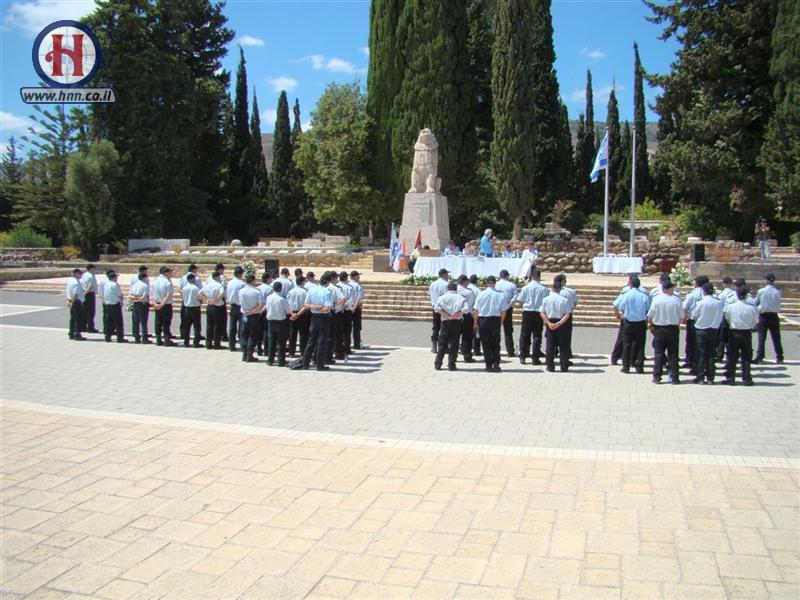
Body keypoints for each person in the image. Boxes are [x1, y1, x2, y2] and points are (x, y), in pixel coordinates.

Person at [612, 275, 651, 374]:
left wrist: (620, 316)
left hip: (628, 323)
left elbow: (619, 306)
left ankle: (626, 367)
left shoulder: (627, 294)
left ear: (630, 284)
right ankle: (639, 367)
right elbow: (649, 309)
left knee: (627, 345)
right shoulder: (644, 295)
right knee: (640, 346)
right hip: (640, 323)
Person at [647, 279, 682, 384]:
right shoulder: (676, 301)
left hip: (659, 329)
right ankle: (675, 378)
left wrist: (651, 324)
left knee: (658, 353)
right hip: (673, 329)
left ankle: (657, 377)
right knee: (673, 354)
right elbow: (682, 316)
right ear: (669, 289)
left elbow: (649, 316)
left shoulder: (657, 301)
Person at [296, 272, 334, 371]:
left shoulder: (312, 290)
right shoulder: (327, 292)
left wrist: (314, 307)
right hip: (323, 318)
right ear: (328, 281)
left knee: (311, 340)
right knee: (322, 341)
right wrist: (320, 307)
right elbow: (326, 308)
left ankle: (305, 363)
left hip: (314, 317)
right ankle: (319, 364)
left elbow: (306, 304)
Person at [722, 287, 758, 386]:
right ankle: (746, 378)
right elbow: (755, 321)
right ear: (746, 296)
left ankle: (731, 378)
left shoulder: (731, 306)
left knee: (732, 356)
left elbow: (727, 318)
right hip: (746, 333)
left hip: (734, 332)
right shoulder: (751, 307)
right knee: (746, 357)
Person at [472, 275, 508, 372]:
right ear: (495, 283)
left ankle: (488, 364)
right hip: (495, 319)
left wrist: (475, 322)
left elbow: (476, 310)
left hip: (483, 320)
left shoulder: (481, 294)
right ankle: (496, 363)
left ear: (486, 283)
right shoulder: (501, 294)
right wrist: (501, 321)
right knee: (496, 343)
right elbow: (504, 310)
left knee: (485, 343)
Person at [691, 282, 724, 384]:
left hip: (701, 330)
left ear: (703, 292)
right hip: (713, 330)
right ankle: (710, 378)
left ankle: (700, 377)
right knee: (711, 354)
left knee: (701, 354)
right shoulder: (718, 303)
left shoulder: (701, 303)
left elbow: (694, 316)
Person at [541, 277, 572, 372]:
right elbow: (567, 314)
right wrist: (559, 323)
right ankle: (563, 366)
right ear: (560, 289)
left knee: (550, 346)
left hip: (550, 321)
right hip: (561, 322)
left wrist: (548, 323)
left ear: (552, 288)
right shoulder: (564, 300)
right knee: (563, 345)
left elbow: (542, 313)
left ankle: (550, 366)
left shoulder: (546, 299)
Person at [516, 268, 547, 365]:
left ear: (531, 276)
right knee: (537, 336)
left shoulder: (526, 288)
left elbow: (520, 301)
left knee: (525, 335)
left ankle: (523, 356)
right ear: (539, 277)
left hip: (527, 313)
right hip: (538, 313)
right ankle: (535, 358)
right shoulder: (544, 289)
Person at [433, 283, 467, 371]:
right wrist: (457, 314)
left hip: (445, 322)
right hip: (456, 322)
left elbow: (436, 308)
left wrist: (447, 315)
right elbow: (466, 309)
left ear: (448, 289)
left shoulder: (442, 297)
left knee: (442, 343)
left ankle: (438, 363)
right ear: (456, 289)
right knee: (454, 343)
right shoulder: (461, 298)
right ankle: (451, 364)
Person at [754, 272, 783, 364]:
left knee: (762, 338)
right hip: (774, 315)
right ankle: (780, 357)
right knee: (776, 338)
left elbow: (756, 303)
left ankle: (760, 357)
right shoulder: (778, 291)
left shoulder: (761, 291)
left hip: (764, 316)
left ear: (766, 280)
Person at [682, 275, 707, 372]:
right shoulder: (708, 293)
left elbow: (685, 307)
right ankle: (701, 363)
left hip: (693, 320)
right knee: (701, 344)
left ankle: (690, 361)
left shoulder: (692, 294)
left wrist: (684, 317)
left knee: (691, 342)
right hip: (704, 320)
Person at [264, 281, 292, 366]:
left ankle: (270, 360)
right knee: (281, 342)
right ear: (280, 288)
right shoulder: (282, 299)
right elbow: (288, 311)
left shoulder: (269, 298)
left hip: (271, 321)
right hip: (280, 322)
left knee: (271, 341)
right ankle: (281, 361)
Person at [238, 274, 264, 363]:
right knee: (253, 336)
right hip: (254, 316)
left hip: (244, 314)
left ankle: (244, 354)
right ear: (252, 281)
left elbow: (240, 302)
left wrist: (246, 311)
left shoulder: (241, 291)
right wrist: (252, 311)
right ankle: (249, 355)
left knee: (244, 335)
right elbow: (260, 305)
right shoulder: (256, 292)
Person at [150, 266, 176, 346]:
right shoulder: (167, 282)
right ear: (166, 273)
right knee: (166, 323)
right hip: (165, 305)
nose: (171, 274)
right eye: (170, 272)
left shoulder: (155, 281)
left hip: (157, 304)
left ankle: (158, 339)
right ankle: (166, 339)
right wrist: (162, 304)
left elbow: (151, 294)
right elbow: (168, 295)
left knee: (158, 322)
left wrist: (154, 303)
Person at [199, 272, 225, 349]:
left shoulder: (207, 285)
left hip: (209, 306)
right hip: (217, 307)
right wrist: (216, 300)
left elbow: (199, 294)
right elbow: (222, 293)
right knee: (217, 325)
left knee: (209, 325)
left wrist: (206, 300)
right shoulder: (219, 285)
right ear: (217, 277)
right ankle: (217, 344)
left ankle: (208, 343)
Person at [495, 270, 518, 357]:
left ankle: (495, 349)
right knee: (508, 330)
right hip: (507, 309)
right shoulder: (512, 285)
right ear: (507, 276)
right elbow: (515, 297)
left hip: (497, 309)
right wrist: (508, 305)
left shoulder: (496, 284)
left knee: (495, 330)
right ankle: (510, 351)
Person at [428, 268, 451, 353]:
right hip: (444, 308)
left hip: (435, 307)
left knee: (435, 327)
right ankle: (444, 347)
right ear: (444, 275)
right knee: (445, 328)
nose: (448, 276)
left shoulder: (433, 284)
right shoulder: (446, 284)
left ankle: (434, 346)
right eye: (447, 274)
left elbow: (429, 294)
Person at [101, 270, 126, 343]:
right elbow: (120, 295)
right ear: (114, 277)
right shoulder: (115, 284)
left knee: (109, 322)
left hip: (107, 305)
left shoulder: (106, 284)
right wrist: (121, 301)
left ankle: (107, 336)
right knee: (118, 322)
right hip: (115, 305)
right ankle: (120, 337)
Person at [557, 274, 578, 361]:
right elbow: (575, 303)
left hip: (556, 315)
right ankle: (566, 353)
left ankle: (554, 351)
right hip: (567, 315)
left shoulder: (553, 291)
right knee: (566, 336)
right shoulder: (571, 291)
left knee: (553, 335)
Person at [287, 276, 310, 356]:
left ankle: (291, 351)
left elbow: (288, 303)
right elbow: (306, 305)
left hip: (293, 312)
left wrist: (292, 314)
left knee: (292, 333)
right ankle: (302, 351)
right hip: (302, 313)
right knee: (303, 334)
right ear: (302, 282)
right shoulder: (305, 292)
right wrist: (299, 314)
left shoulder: (290, 291)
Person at [456, 275, 476, 363]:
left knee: (454, 337)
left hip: (454, 315)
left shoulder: (454, 290)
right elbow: (472, 304)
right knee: (467, 337)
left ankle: (453, 355)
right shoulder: (469, 292)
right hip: (467, 315)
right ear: (465, 282)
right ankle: (467, 355)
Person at [226, 266, 246, 351]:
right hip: (240, 306)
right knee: (241, 327)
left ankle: (231, 345)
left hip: (233, 306)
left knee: (232, 327)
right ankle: (242, 344)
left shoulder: (229, 283)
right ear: (239, 274)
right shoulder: (241, 284)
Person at [715, 277, 736, 361]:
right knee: (731, 338)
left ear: (723, 284)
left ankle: (719, 355)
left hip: (723, 316)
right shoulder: (735, 294)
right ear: (731, 284)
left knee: (721, 338)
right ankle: (730, 356)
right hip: (733, 317)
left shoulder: (721, 294)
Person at [179, 264, 200, 343]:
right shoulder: (196, 287)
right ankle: (196, 342)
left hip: (186, 306)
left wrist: (185, 299)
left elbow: (180, 289)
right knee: (196, 325)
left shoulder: (184, 286)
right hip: (195, 307)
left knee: (186, 325)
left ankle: (186, 341)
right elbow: (200, 295)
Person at [129, 272, 151, 344]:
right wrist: (139, 298)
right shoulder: (145, 286)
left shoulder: (134, 285)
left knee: (135, 321)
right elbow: (144, 297)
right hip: (143, 305)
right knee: (143, 322)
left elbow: (130, 296)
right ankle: (144, 338)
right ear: (144, 278)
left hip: (135, 304)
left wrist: (135, 298)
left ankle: (136, 337)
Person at [328, 271, 346, 361]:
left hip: (325, 312)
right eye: (336, 277)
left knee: (328, 335)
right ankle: (338, 352)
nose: (337, 279)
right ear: (332, 278)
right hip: (335, 312)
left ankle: (328, 355)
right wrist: (335, 305)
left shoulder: (322, 287)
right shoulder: (335, 288)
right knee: (337, 334)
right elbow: (342, 298)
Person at [66, 268, 86, 341]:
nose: (81, 276)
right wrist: (72, 302)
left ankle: (71, 333)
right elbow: (75, 294)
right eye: (80, 274)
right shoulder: (76, 283)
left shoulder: (70, 281)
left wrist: (69, 301)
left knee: (72, 318)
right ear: (77, 274)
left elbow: (68, 292)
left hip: (71, 300)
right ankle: (77, 334)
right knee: (78, 319)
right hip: (76, 302)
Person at [80, 264, 99, 333]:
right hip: (89, 294)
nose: (95, 270)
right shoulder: (91, 276)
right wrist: (85, 294)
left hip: (84, 293)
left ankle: (83, 327)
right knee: (90, 312)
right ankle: (91, 328)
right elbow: (90, 287)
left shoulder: (84, 275)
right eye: (94, 269)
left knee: (85, 311)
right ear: (91, 269)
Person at [468, 275, 483, 356]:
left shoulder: (466, 289)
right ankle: (476, 349)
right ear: (477, 281)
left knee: (467, 332)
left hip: (466, 313)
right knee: (476, 332)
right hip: (475, 313)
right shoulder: (478, 290)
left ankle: (465, 349)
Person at [350, 271, 364, 350]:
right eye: (357, 276)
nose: (359, 277)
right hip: (356, 307)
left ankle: (346, 344)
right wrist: (355, 308)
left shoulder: (347, 285)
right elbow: (359, 298)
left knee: (347, 327)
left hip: (348, 308)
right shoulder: (357, 286)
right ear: (353, 277)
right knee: (356, 327)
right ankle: (357, 344)